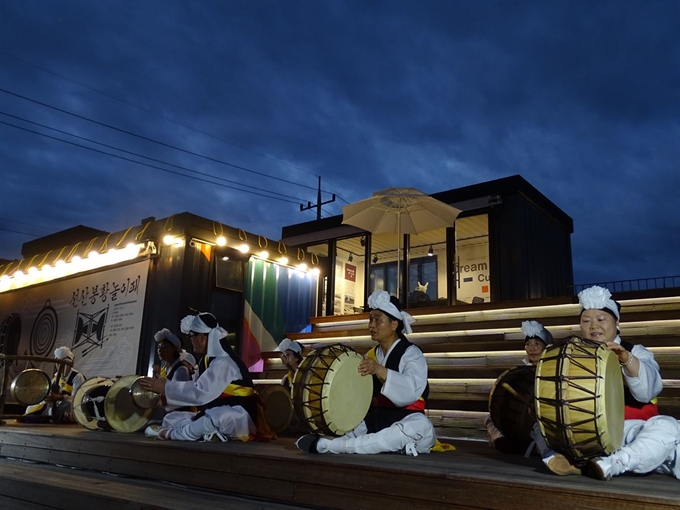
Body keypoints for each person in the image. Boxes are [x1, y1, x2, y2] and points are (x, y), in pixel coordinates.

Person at [548, 285, 680, 480]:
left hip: (632, 430)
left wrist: (626, 359)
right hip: (586, 434)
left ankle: (602, 463)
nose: (593, 326)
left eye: (601, 319)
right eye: (586, 321)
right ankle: (608, 462)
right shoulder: (571, 356)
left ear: (617, 322)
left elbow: (647, 392)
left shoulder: (636, 351)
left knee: (667, 426)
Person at [296, 290, 435, 455]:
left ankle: (333, 446)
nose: (371, 325)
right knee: (350, 424)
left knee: (422, 427)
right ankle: (387, 445)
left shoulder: (412, 353)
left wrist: (379, 369)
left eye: (378, 320)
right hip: (375, 418)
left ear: (394, 325)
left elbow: (411, 391)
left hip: (407, 416)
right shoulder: (370, 355)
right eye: (370, 319)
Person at [140, 312, 257, 442]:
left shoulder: (224, 362)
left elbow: (200, 392)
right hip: (215, 410)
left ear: (201, 337)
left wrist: (166, 387)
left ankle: (172, 434)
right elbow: (193, 389)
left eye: (192, 336)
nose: (191, 341)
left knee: (214, 418)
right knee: (171, 418)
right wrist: (164, 397)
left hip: (238, 415)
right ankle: (207, 434)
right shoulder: (206, 361)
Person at [485, 320, 553, 455]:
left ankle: (531, 448)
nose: (532, 348)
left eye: (537, 344)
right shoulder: (522, 372)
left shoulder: (552, 370)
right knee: (489, 419)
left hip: (545, 421)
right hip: (523, 423)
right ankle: (508, 442)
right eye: (528, 344)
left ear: (547, 347)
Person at [22, 346, 85, 423]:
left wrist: (60, 398)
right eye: (58, 363)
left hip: (70, 405)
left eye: (63, 363)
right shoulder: (55, 378)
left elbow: (78, 399)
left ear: (70, 364)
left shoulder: (77, 376)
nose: (60, 366)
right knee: (31, 408)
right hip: (56, 404)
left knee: (66, 405)